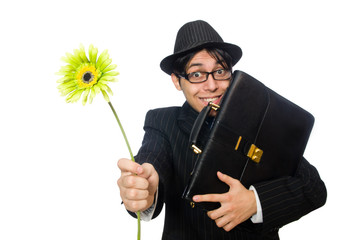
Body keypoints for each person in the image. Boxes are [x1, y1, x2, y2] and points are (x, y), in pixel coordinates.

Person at [117, 20, 327, 239]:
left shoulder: (258, 119)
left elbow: (313, 187)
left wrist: (255, 202)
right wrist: (144, 188)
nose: (211, 85)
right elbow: (151, 159)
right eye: (196, 74)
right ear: (177, 81)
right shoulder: (162, 121)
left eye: (219, 71)